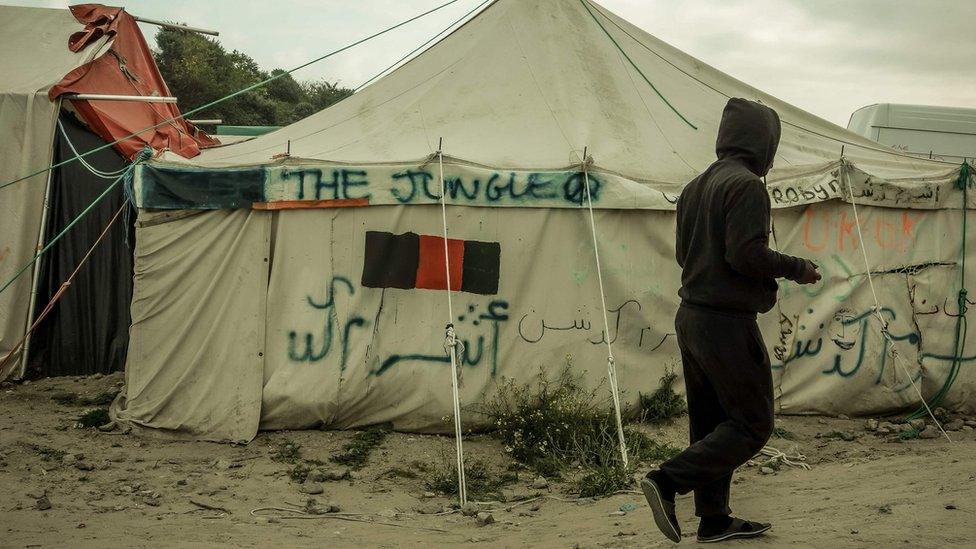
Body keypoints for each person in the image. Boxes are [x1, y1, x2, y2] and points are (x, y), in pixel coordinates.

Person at [641, 97, 821, 543]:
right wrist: (797, 267)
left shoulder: (694, 187)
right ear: (764, 142)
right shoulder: (746, 186)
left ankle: (714, 519)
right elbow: (746, 254)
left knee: (710, 423)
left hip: (692, 317)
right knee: (752, 423)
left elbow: (685, 255)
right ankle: (667, 481)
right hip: (725, 323)